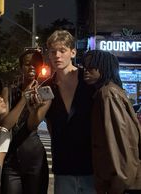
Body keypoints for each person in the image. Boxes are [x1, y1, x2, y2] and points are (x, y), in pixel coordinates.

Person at [27, 30, 96, 194]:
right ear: (48, 55)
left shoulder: (88, 81)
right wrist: (35, 108)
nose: (57, 55)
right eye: (53, 51)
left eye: (62, 50)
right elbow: (33, 124)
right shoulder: (46, 88)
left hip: (92, 165)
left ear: (73, 52)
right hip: (63, 165)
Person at [83, 50, 141, 194]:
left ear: (104, 68)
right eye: (84, 67)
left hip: (120, 185)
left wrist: (118, 184)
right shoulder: (111, 91)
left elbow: (120, 143)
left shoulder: (108, 94)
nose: (86, 71)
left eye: (91, 67)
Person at [1, 49, 49, 194]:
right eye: (28, 64)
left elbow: (32, 125)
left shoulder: (45, 93)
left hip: (34, 158)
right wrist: (23, 98)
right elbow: (5, 125)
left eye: (36, 64)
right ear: (21, 67)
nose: (32, 67)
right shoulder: (8, 91)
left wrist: (34, 109)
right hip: (10, 158)